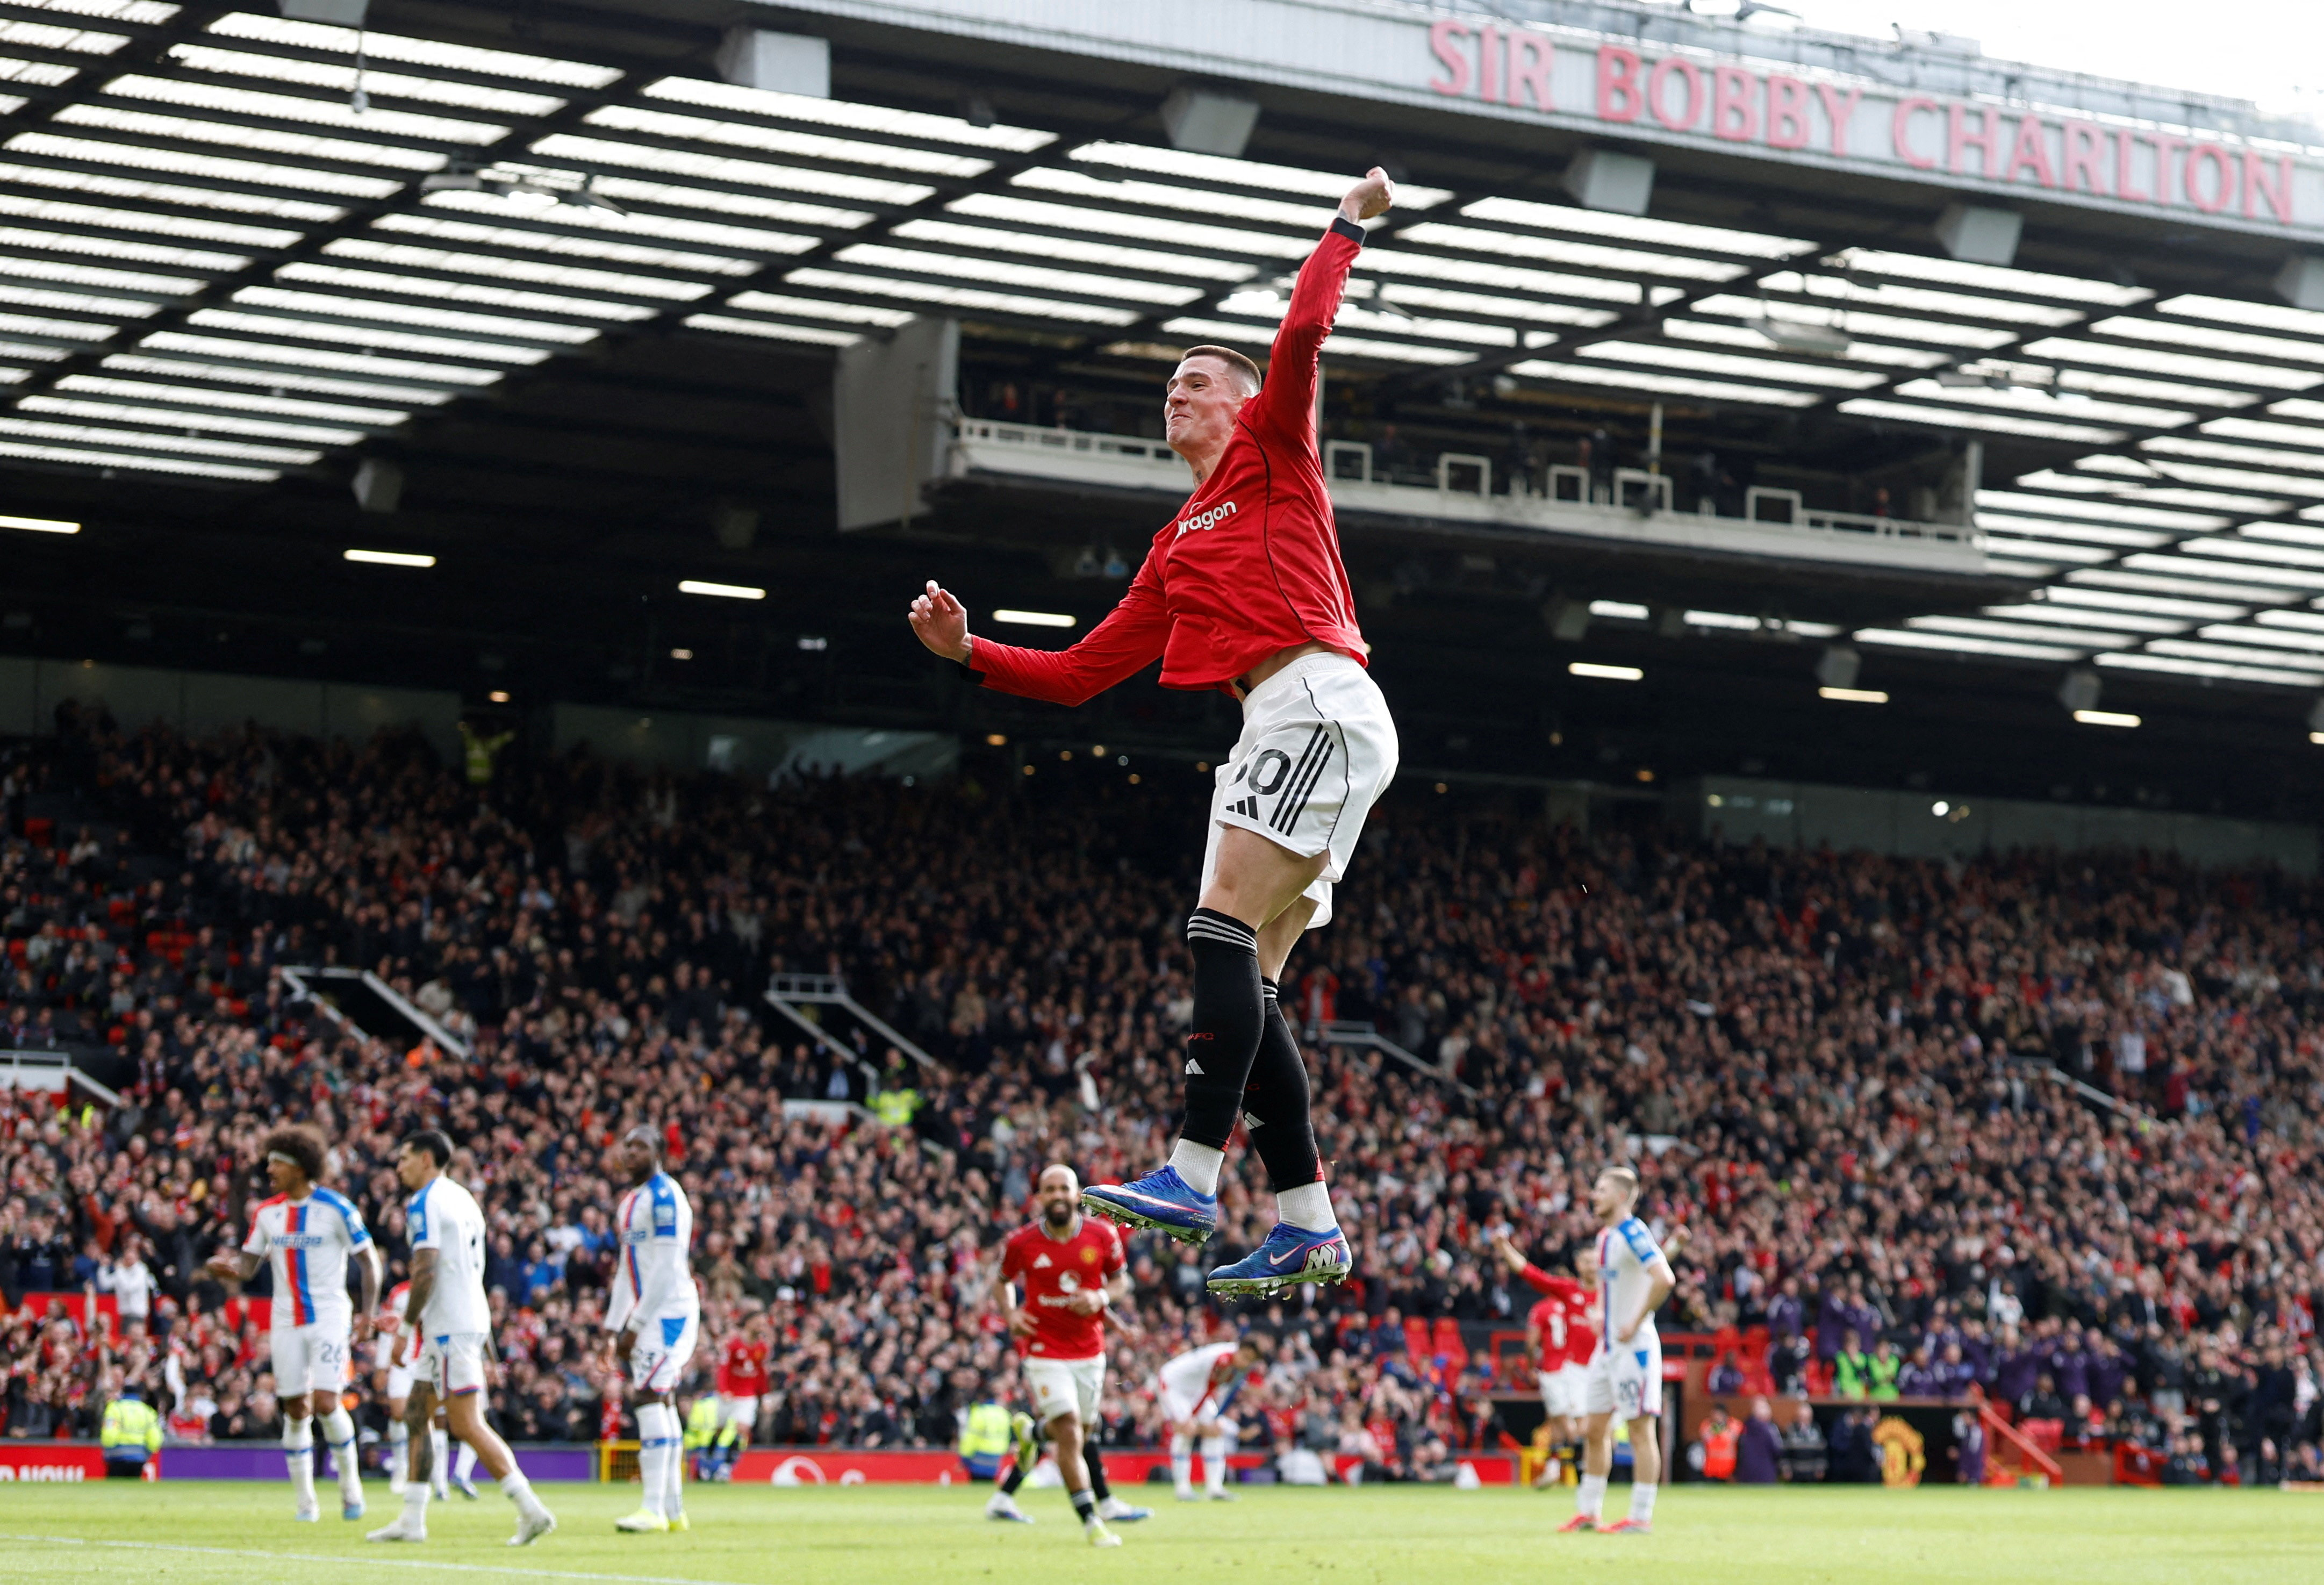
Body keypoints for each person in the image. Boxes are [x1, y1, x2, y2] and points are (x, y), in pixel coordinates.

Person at [908, 167, 1403, 1295]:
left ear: (1241, 402)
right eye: (1168, 386)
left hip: (1317, 698)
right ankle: (1307, 1221)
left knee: (1215, 921)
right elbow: (1081, 673)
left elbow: (1302, 334)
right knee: (1252, 975)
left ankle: (1189, 1171)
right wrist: (969, 651)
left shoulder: (1274, 449)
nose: (1174, 395)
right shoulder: (1176, 541)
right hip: (1282, 721)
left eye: (1193, 382)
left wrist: (1343, 227)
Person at [366, 1129, 556, 1547]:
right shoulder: (465, 1198)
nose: (399, 1165)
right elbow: (467, 1270)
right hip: (462, 1319)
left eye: (405, 1157)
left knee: (466, 1422)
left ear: (427, 1159)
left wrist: (404, 1329)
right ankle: (412, 1518)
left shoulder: (424, 1201)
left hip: (450, 1326)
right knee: (416, 1412)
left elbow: (426, 1268)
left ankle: (530, 1508)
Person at [202, 1123, 381, 1523]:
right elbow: (248, 1267)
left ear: (299, 1167)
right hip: (284, 1320)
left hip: (329, 1315)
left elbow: (370, 1262)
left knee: (327, 1402)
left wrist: (368, 1314)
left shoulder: (337, 1208)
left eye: (276, 1164)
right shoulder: (267, 1213)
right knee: (296, 1408)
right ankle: (306, 1503)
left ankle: (351, 1490)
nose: (269, 1171)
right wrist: (224, 1268)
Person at [986, 1164, 1134, 1546]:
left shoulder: (1102, 1234)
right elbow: (1002, 1282)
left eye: (1063, 1188)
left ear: (1076, 1194)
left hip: (1090, 1351)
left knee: (1080, 1434)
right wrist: (1011, 1314)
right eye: (1049, 1189)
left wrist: (1100, 1296)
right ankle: (1091, 1521)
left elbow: (1121, 1281)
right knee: (1069, 1430)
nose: (1056, 1195)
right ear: (1039, 1197)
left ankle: (1033, 1433)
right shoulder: (1022, 1242)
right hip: (1043, 1348)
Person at [1560, 1167, 1675, 1536]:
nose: (1594, 1195)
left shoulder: (1634, 1233)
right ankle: (1588, 1511)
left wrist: (1635, 1320)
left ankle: (1640, 1516)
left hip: (1634, 1348)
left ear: (1622, 1196)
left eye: (1601, 1189)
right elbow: (1609, 1284)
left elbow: (1664, 1278)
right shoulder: (1605, 1236)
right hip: (1606, 1349)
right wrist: (1600, 1313)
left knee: (1640, 1431)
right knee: (1594, 1430)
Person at [603, 1124, 702, 1534]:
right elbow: (627, 1270)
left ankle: (652, 1509)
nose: (631, 1153)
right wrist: (612, 1327)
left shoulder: (667, 1197)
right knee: (661, 1400)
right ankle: (674, 1512)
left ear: (659, 1152)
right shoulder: (630, 1202)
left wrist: (636, 1323)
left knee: (647, 1395)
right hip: (649, 1314)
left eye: (641, 1146)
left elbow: (666, 1265)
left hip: (670, 1312)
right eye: (627, 1146)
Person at [1493, 1235, 1593, 1486]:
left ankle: (1567, 1465)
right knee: (1572, 1422)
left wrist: (1531, 1367)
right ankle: (1568, 1468)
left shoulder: (1544, 1308)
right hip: (1574, 1368)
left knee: (1564, 1422)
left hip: (1557, 1368)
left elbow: (1530, 1343)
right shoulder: (1572, 1294)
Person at [1156, 1336, 1263, 1502]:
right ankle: (1182, 1488)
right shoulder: (1222, 1359)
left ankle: (1215, 1488)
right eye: (1245, 1358)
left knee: (1215, 1431)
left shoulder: (1231, 1356)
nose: (1246, 1363)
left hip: (1196, 1389)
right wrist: (1193, 1420)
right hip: (1174, 1385)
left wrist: (1210, 1422)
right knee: (1187, 1430)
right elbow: (1210, 1388)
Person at [705, 1313, 770, 1481]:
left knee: (743, 1429)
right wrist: (723, 1389)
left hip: (747, 1396)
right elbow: (724, 1368)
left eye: (764, 1324)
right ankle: (707, 1462)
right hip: (729, 1394)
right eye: (759, 1323)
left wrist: (764, 1396)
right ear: (748, 1323)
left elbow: (761, 1373)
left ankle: (726, 1467)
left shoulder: (762, 1348)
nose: (762, 1327)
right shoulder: (733, 1344)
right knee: (720, 1430)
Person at [101, 1378, 161, 1478]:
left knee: (114, 1486)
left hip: (117, 1457)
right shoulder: (146, 1410)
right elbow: (155, 1438)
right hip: (139, 1458)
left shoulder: (115, 1408)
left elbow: (109, 1435)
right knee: (134, 1486)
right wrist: (147, 1452)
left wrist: (109, 1449)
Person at [1737, 1396, 1783, 1484]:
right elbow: (1777, 1450)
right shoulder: (1768, 1429)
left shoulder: (1745, 1427)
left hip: (1751, 1474)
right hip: (1763, 1474)